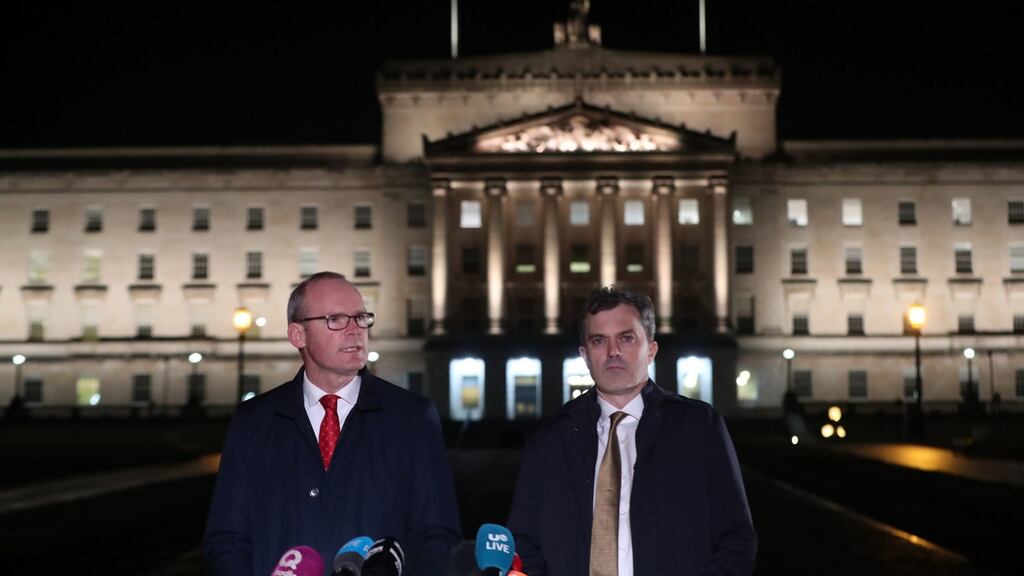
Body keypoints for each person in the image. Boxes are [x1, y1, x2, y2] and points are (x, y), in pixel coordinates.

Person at [204, 272, 461, 575]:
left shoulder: (413, 418)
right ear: (298, 335)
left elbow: (438, 536)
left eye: (361, 318)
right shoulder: (253, 421)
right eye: (336, 319)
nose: (355, 330)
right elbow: (227, 538)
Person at [507, 286, 757, 575]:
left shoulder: (699, 427)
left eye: (626, 338)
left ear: (651, 350)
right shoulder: (550, 439)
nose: (613, 351)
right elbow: (523, 542)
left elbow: (736, 538)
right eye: (599, 341)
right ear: (585, 355)